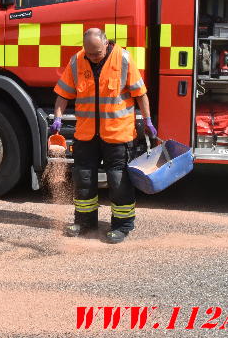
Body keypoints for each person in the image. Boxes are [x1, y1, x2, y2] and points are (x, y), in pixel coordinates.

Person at [51, 28, 155, 244]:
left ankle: (122, 225)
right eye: (89, 53)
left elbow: (140, 94)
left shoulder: (123, 59)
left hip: (118, 133)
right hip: (87, 133)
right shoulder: (77, 60)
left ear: (106, 43)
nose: (93, 57)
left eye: (97, 53)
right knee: (84, 178)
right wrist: (58, 118)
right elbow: (63, 93)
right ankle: (85, 221)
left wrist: (148, 121)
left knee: (118, 180)